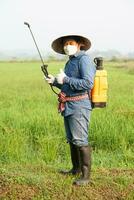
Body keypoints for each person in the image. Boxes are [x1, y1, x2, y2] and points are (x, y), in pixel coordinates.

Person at [45, 35, 96, 186]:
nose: (67, 46)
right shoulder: (70, 61)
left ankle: (86, 177)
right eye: (65, 44)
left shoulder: (83, 60)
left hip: (80, 105)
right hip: (68, 105)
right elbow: (68, 86)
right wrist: (55, 81)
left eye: (70, 43)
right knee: (72, 140)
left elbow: (87, 83)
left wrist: (65, 79)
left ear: (79, 44)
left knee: (80, 141)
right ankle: (75, 169)